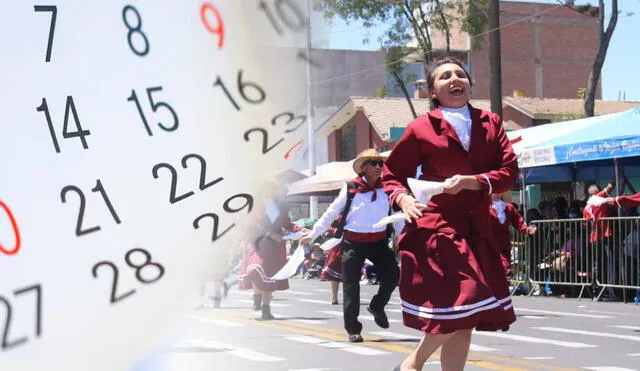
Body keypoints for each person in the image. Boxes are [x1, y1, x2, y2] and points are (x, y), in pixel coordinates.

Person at [381, 56, 518, 371]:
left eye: (460, 74)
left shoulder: (491, 122)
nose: (455, 79)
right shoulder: (420, 128)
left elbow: (509, 172)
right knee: (466, 301)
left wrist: (473, 181)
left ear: (469, 84)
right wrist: (403, 200)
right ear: (433, 91)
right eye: (445, 77)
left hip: (478, 230)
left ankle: (414, 366)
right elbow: (392, 175)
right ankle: (412, 364)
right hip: (438, 228)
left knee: (464, 317)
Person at [299, 148, 401, 343]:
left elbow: (397, 218)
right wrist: (312, 235)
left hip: (379, 241)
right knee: (351, 287)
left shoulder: (388, 188)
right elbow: (330, 213)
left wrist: (404, 241)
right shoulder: (351, 188)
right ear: (363, 167)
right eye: (374, 163)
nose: (379, 167)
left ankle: (377, 306)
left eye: (381, 163)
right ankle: (353, 329)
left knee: (392, 277)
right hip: (354, 242)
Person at [238, 181, 301, 320]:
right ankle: (256, 295)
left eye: (273, 188)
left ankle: (266, 308)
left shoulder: (280, 205)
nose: (270, 191)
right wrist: (270, 234)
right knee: (255, 269)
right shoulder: (254, 205)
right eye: (267, 188)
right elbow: (250, 225)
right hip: (258, 243)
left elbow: (287, 223)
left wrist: (302, 231)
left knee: (270, 277)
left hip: (275, 246)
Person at [583, 176, 617, 300]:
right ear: (596, 192)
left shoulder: (586, 207)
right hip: (604, 236)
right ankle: (607, 290)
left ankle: (596, 290)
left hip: (593, 238)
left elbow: (585, 223)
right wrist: (616, 169)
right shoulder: (600, 198)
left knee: (597, 265)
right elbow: (610, 186)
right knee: (608, 265)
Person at [489, 193, 537, 278]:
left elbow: (519, 222)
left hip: (504, 244)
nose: (497, 192)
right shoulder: (483, 206)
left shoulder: (508, 207)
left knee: (505, 272)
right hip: (488, 244)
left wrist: (528, 229)